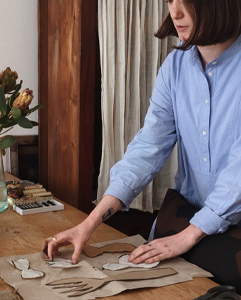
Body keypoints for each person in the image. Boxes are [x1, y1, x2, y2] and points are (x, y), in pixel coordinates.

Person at [43, 0, 241, 291]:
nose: (175, 12)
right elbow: (147, 149)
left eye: (185, 1)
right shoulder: (175, 67)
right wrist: (89, 224)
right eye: (169, 1)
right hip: (187, 224)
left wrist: (186, 238)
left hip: (222, 237)